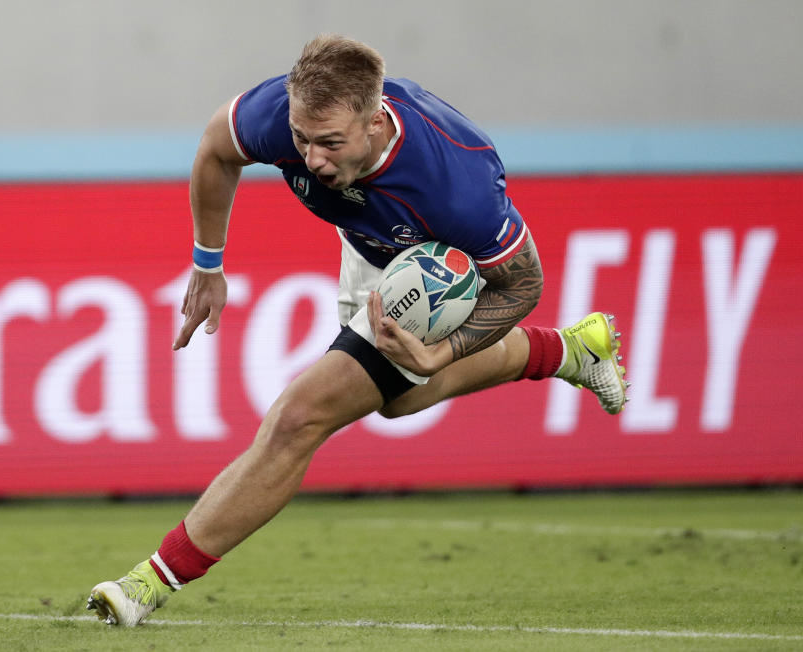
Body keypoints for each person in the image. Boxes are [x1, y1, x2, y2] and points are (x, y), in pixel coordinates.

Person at [87, 34, 628, 626]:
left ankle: (147, 583)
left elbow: (524, 285)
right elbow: (219, 149)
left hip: (437, 259)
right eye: (301, 140)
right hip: (371, 242)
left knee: (300, 417)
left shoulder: (455, 190)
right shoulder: (282, 114)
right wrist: (208, 264)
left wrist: (443, 350)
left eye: (329, 143)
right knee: (403, 400)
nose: (312, 159)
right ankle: (570, 349)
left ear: (374, 123)